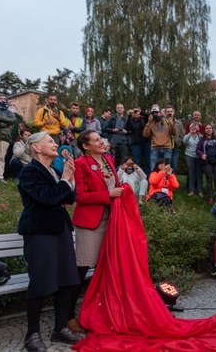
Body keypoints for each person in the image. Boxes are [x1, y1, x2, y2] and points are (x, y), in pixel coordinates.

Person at [16, 132, 82, 351]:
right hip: (40, 231)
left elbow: (69, 199)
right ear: (36, 148)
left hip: (61, 229)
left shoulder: (54, 170)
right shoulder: (29, 172)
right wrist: (64, 181)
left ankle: (59, 329)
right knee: (41, 282)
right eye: (50, 142)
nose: (56, 144)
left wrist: (69, 178)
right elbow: (48, 198)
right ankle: (32, 335)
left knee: (67, 281)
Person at [70, 129, 123, 334]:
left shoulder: (109, 159)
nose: (101, 142)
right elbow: (80, 197)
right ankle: (68, 315)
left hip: (112, 220)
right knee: (82, 268)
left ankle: (102, 312)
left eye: (101, 139)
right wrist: (107, 194)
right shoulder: (81, 164)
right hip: (90, 223)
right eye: (96, 140)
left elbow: (115, 186)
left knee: (107, 269)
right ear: (86, 146)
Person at [143, 104, 176, 171]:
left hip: (167, 148)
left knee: (166, 168)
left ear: (160, 113)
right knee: (153, 167)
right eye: (153, 113)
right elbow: (145, 135)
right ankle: (154, 181)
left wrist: (170, 123)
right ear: (151, 114)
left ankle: (166, 181)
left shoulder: (167, 121)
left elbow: (174, 133)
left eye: (157, 113)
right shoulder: (151, 123)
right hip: (155, 148)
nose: (155, 115)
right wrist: (149, 122)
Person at [196, 124, 216, 204]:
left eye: (210, 128)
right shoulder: (202, 140)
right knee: (209, 178)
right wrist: (201, 155)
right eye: (207, 128)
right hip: (207, 162)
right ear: (204, 130)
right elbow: (197, 150)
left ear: (212, 130)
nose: (208, 129)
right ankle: (210, 196)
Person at [125, 107, 150, 173]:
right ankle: (138, 176)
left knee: (147, 160)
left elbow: (149, 116)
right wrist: (129, 115)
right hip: (136, 144)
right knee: (137, 161)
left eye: (137, 111)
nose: (136, 113)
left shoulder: (144, 119)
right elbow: (126, 128)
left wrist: (141, 112)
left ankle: (147, 176)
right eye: (135, 111)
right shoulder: (131, 120)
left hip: (146, 142)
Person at [183, 123, 203, 197]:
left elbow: (204, 141)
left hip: (198, 157)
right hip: (189, 156)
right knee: (191, 173)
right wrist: (190, 133)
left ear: (198, 128)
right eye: (192, 126)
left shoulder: (200, 136)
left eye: (195, 126)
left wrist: (198, 133)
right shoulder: (187, 135)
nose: (193, 127)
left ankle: (200, 190)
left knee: (199, 174)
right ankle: (191, 190)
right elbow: (184, 141)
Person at [164, 105, 185, 173]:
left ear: (174, 112)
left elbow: (182, 134)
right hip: (166, 147)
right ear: (165, 112)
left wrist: (179, 141)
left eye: (171, 111)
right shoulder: (162, 122)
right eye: (168, 111)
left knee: (174, 166)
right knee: (166, 166)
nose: (169, 113)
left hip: (175, 147)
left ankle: (173, 182)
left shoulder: (178, 122)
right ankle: (165, 182)